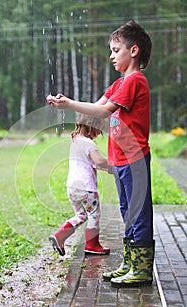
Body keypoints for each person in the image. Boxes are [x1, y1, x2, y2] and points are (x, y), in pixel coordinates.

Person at [47, 20, 155, 288]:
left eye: (116, 49)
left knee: (138, 212)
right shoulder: (119, 84)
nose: (111, 55)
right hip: (120, 160)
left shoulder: (134, 81)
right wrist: (66, 104)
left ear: (134, 51)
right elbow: (95, 108)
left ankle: (141, 268)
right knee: (127, 212)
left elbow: (104, 113)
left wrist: (70, 104)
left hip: (135, 159)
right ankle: (130, 263)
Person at [49, 113, 111, 256]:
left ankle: (59, 236)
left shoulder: (76, 140)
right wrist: (115, 165)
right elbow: (99, 161)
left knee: (81, 215)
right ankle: (92, 245)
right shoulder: (88, 143)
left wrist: (106, 168)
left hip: (72, 187)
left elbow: (90, 162)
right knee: (94, 215)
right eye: (98, 130)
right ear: (91, 126)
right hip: (86, 188)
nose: (98, 134)